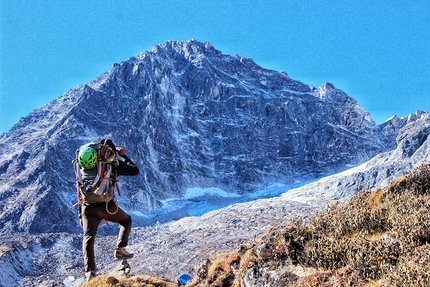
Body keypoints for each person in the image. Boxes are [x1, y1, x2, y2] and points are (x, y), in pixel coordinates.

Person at [76, 139, 139, 282]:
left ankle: (90, 272)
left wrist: (81, 213)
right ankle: (120, 249)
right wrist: (122, 155)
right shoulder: (113, 164)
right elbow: (134, 170)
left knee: (88, 237)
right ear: (110, 152)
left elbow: (80, 189)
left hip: (87, 206)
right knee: (126, 220)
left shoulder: (84, 166)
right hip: (106, 207)